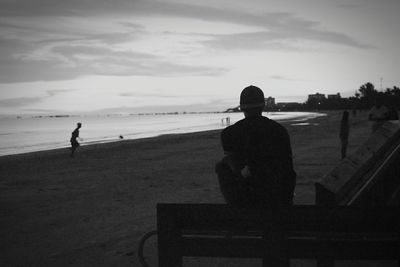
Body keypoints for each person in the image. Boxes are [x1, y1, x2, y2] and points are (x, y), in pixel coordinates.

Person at [215, 85, 296, 209]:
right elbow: (288, 169)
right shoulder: (279, 131)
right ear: (263, 105)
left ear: (241, 107)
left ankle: (235, 208)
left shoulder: (229, 133)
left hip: (246, 199)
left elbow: (235, 169)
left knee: (222, 165)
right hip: (279, 197)